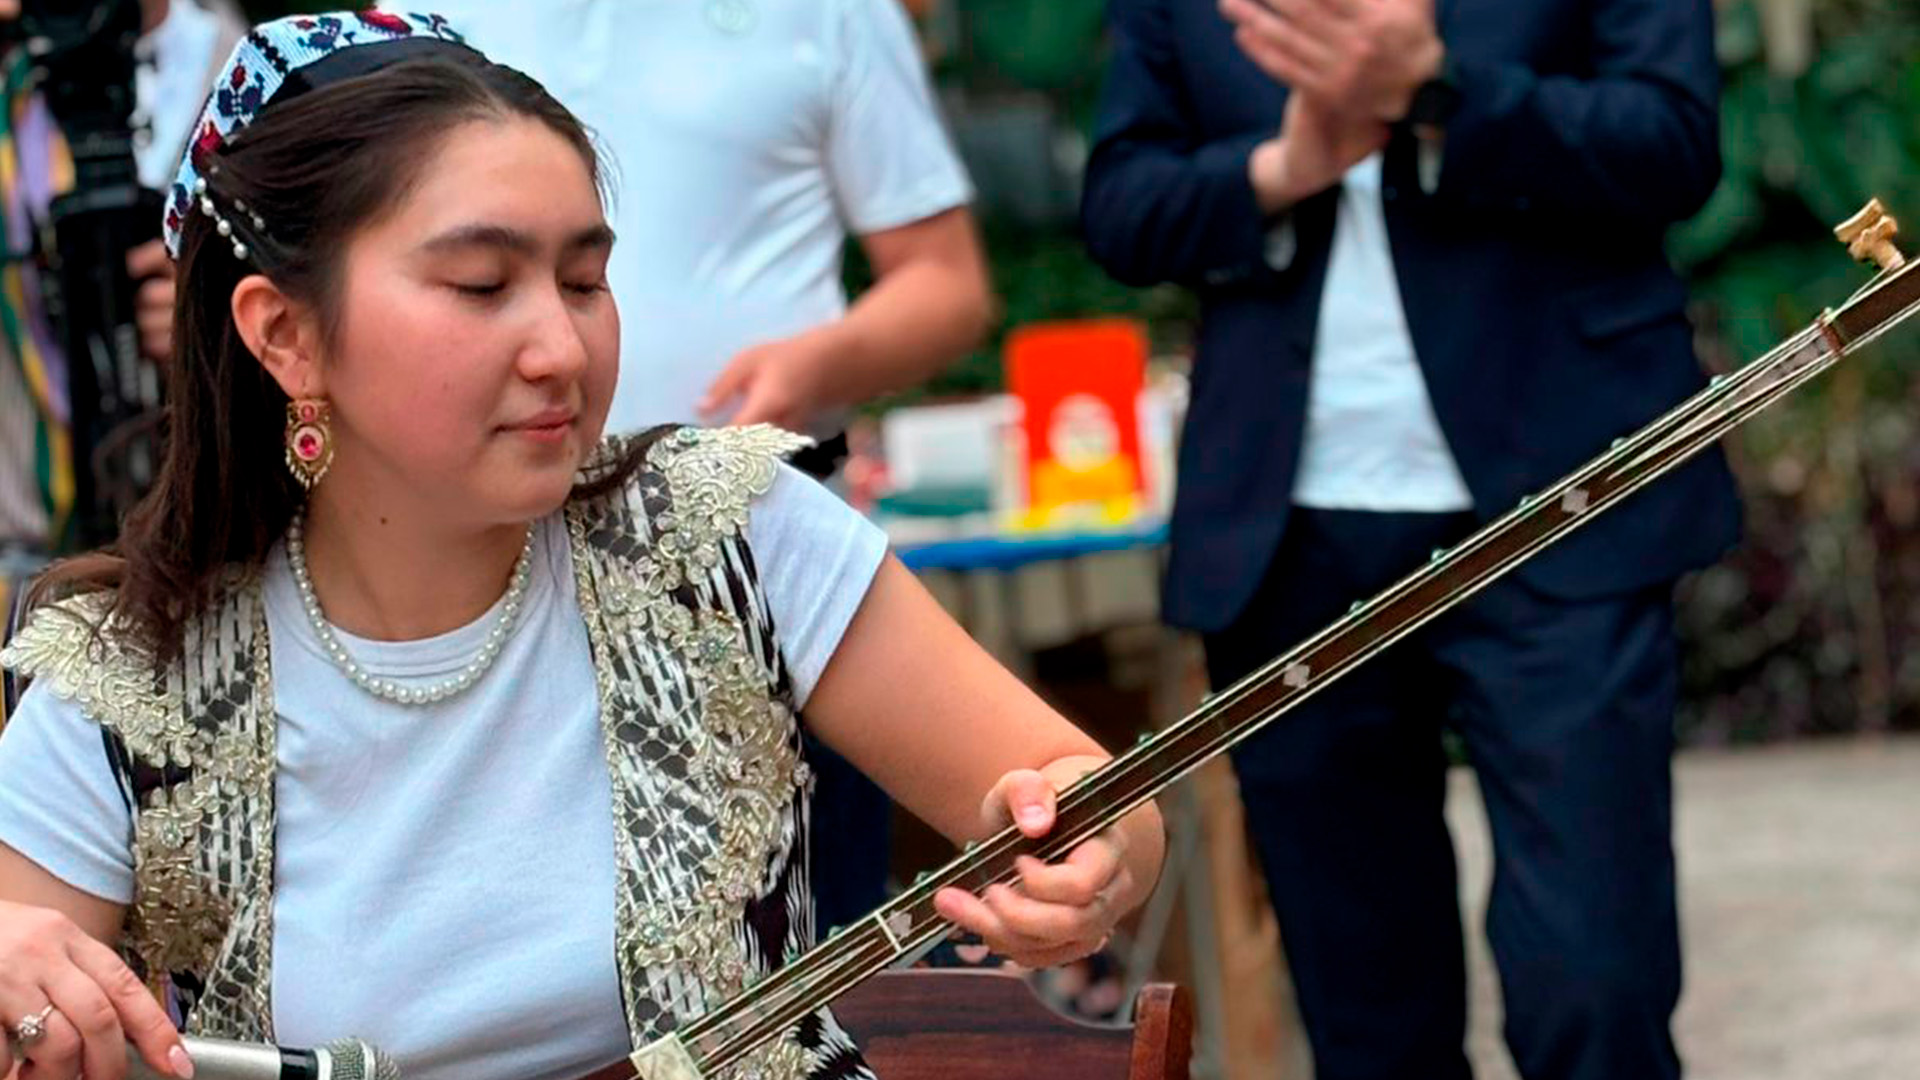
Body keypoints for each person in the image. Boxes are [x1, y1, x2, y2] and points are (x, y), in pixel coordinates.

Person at [0, 15, 1162, 1080]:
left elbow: (1098, 805)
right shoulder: (130, 679)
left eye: (584, 279)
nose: (560, 346)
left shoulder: (731, 534)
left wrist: (1086, 847)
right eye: (480, 283)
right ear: (285, 334)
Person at [1081, 1, 1739, 1078]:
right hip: (1286, 537)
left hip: (1561, 501)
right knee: (1367, 1019)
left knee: (1593, 984)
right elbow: (1119, 206)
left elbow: (1672, 143)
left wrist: (1439, 92)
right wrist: (1277, 168)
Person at [408, 0, 996, 931]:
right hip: (489, 578)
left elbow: (949, 284)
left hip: (754, 556)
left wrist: (816, 364)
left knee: (803, 962)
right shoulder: (426, 19)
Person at [0, 0, 243, 592]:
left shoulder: (251, 78)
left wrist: (215, 319)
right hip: (26, 542)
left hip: (207, 549)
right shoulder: (16, 88)